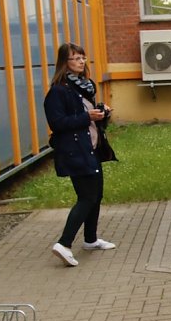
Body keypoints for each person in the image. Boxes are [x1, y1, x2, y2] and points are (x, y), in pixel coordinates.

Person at [44, 43, 117, 267]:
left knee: (96, 195)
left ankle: (91, 239)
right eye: (75, 58)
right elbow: (57, 123)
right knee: (87, 197)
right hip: (75, 152)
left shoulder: (86, 86)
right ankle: (64, 244)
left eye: (83, 57)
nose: (81, 61)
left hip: (91, 148)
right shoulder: (58, 91)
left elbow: (89, 117)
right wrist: (88, 117)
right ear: (64, 63)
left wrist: (101, 113)